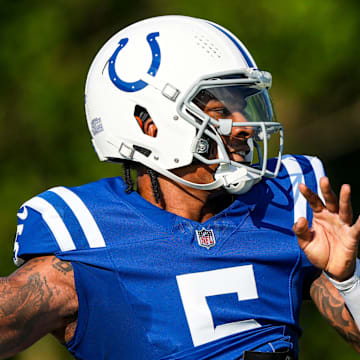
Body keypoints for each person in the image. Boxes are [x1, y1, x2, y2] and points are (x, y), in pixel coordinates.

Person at [1, 15, 360, 360]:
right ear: (149, 126)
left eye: (242, 108)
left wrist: (347, 279)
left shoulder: (286, 205)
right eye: (221, 111)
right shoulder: (89, 236)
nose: (245, 126)